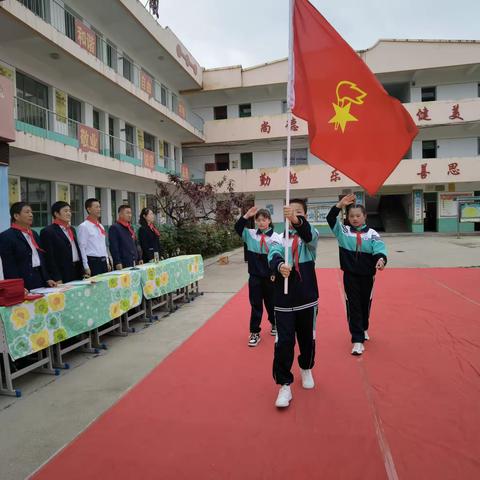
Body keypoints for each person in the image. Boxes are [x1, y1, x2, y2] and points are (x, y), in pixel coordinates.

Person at [268, 199, 319, 408]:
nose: (294, 215)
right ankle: (284, 385)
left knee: (307, 339)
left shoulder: (310, 236)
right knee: (284, 343)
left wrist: (296, 220)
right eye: (290, 212)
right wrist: (280, 266)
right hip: (283, 301)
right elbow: (272, 255)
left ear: (305, 216)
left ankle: (306, 367)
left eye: (299, 212)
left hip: (307, 299)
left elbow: (308, 235)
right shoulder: (278, 237)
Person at [326, 193, 387, 356]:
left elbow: (379, 248)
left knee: (365, 304)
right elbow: (330, 218)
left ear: (364, 217)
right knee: (353, 306)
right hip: (350, 276)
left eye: (358, 215)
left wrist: (381, 259)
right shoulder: (343, 231)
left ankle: (363, 328)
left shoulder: (372, 233)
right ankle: (357, 340)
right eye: (351, 216)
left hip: (368, 276)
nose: (354, 218)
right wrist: (339, 205)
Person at [235, 207, 281, 347]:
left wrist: (274, 273)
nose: (261, 222)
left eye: (264, 219)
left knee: (271, 303)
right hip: (255, 277)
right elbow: (237, 228)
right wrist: (246, 216)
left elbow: (277, 257)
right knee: (255, 305)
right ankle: (255, 332)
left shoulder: (276, 237)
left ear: (269, 220)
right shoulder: (250, 234)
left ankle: (274, 324)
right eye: (258, 220)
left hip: (270, 277)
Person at [0, 202, 56, 290]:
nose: (31, 215)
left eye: (31, 212)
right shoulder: (6, 236)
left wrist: (47, 278)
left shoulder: (34, 234)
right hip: (23, 281)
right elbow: (9, 266)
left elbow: (40, 258)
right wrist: (16, 286)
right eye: (27, 212)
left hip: (39, 279)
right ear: (16, 216)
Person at [40, 201, 85, 284]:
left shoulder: (71, 229)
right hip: (62, 273)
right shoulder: (48, 231)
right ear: (56, 214)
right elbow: (49, 257)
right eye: (65, 211)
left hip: (77, 270)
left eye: (69, 211)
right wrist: (56, 277)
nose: (69, 213)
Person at [77, 198, 111, 276]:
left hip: (103, 262)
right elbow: (82, 247)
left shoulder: (101, 226)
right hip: (92, 262)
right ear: (89, 209)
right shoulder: (84, 226)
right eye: (96, 207)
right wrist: (86, 266)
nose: (99, 209)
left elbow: (103, 245)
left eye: (99, 207)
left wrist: (107, 262)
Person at [108, 205, 142, 270]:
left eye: (130, 213)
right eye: (127, 213)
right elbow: (113, 247)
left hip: (134, 261)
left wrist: (139, 258)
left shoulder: (130, 227)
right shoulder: (115, 228)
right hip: (123, 262)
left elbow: (135, 243)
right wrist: (117, 262)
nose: (130, 215)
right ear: (120, 214)